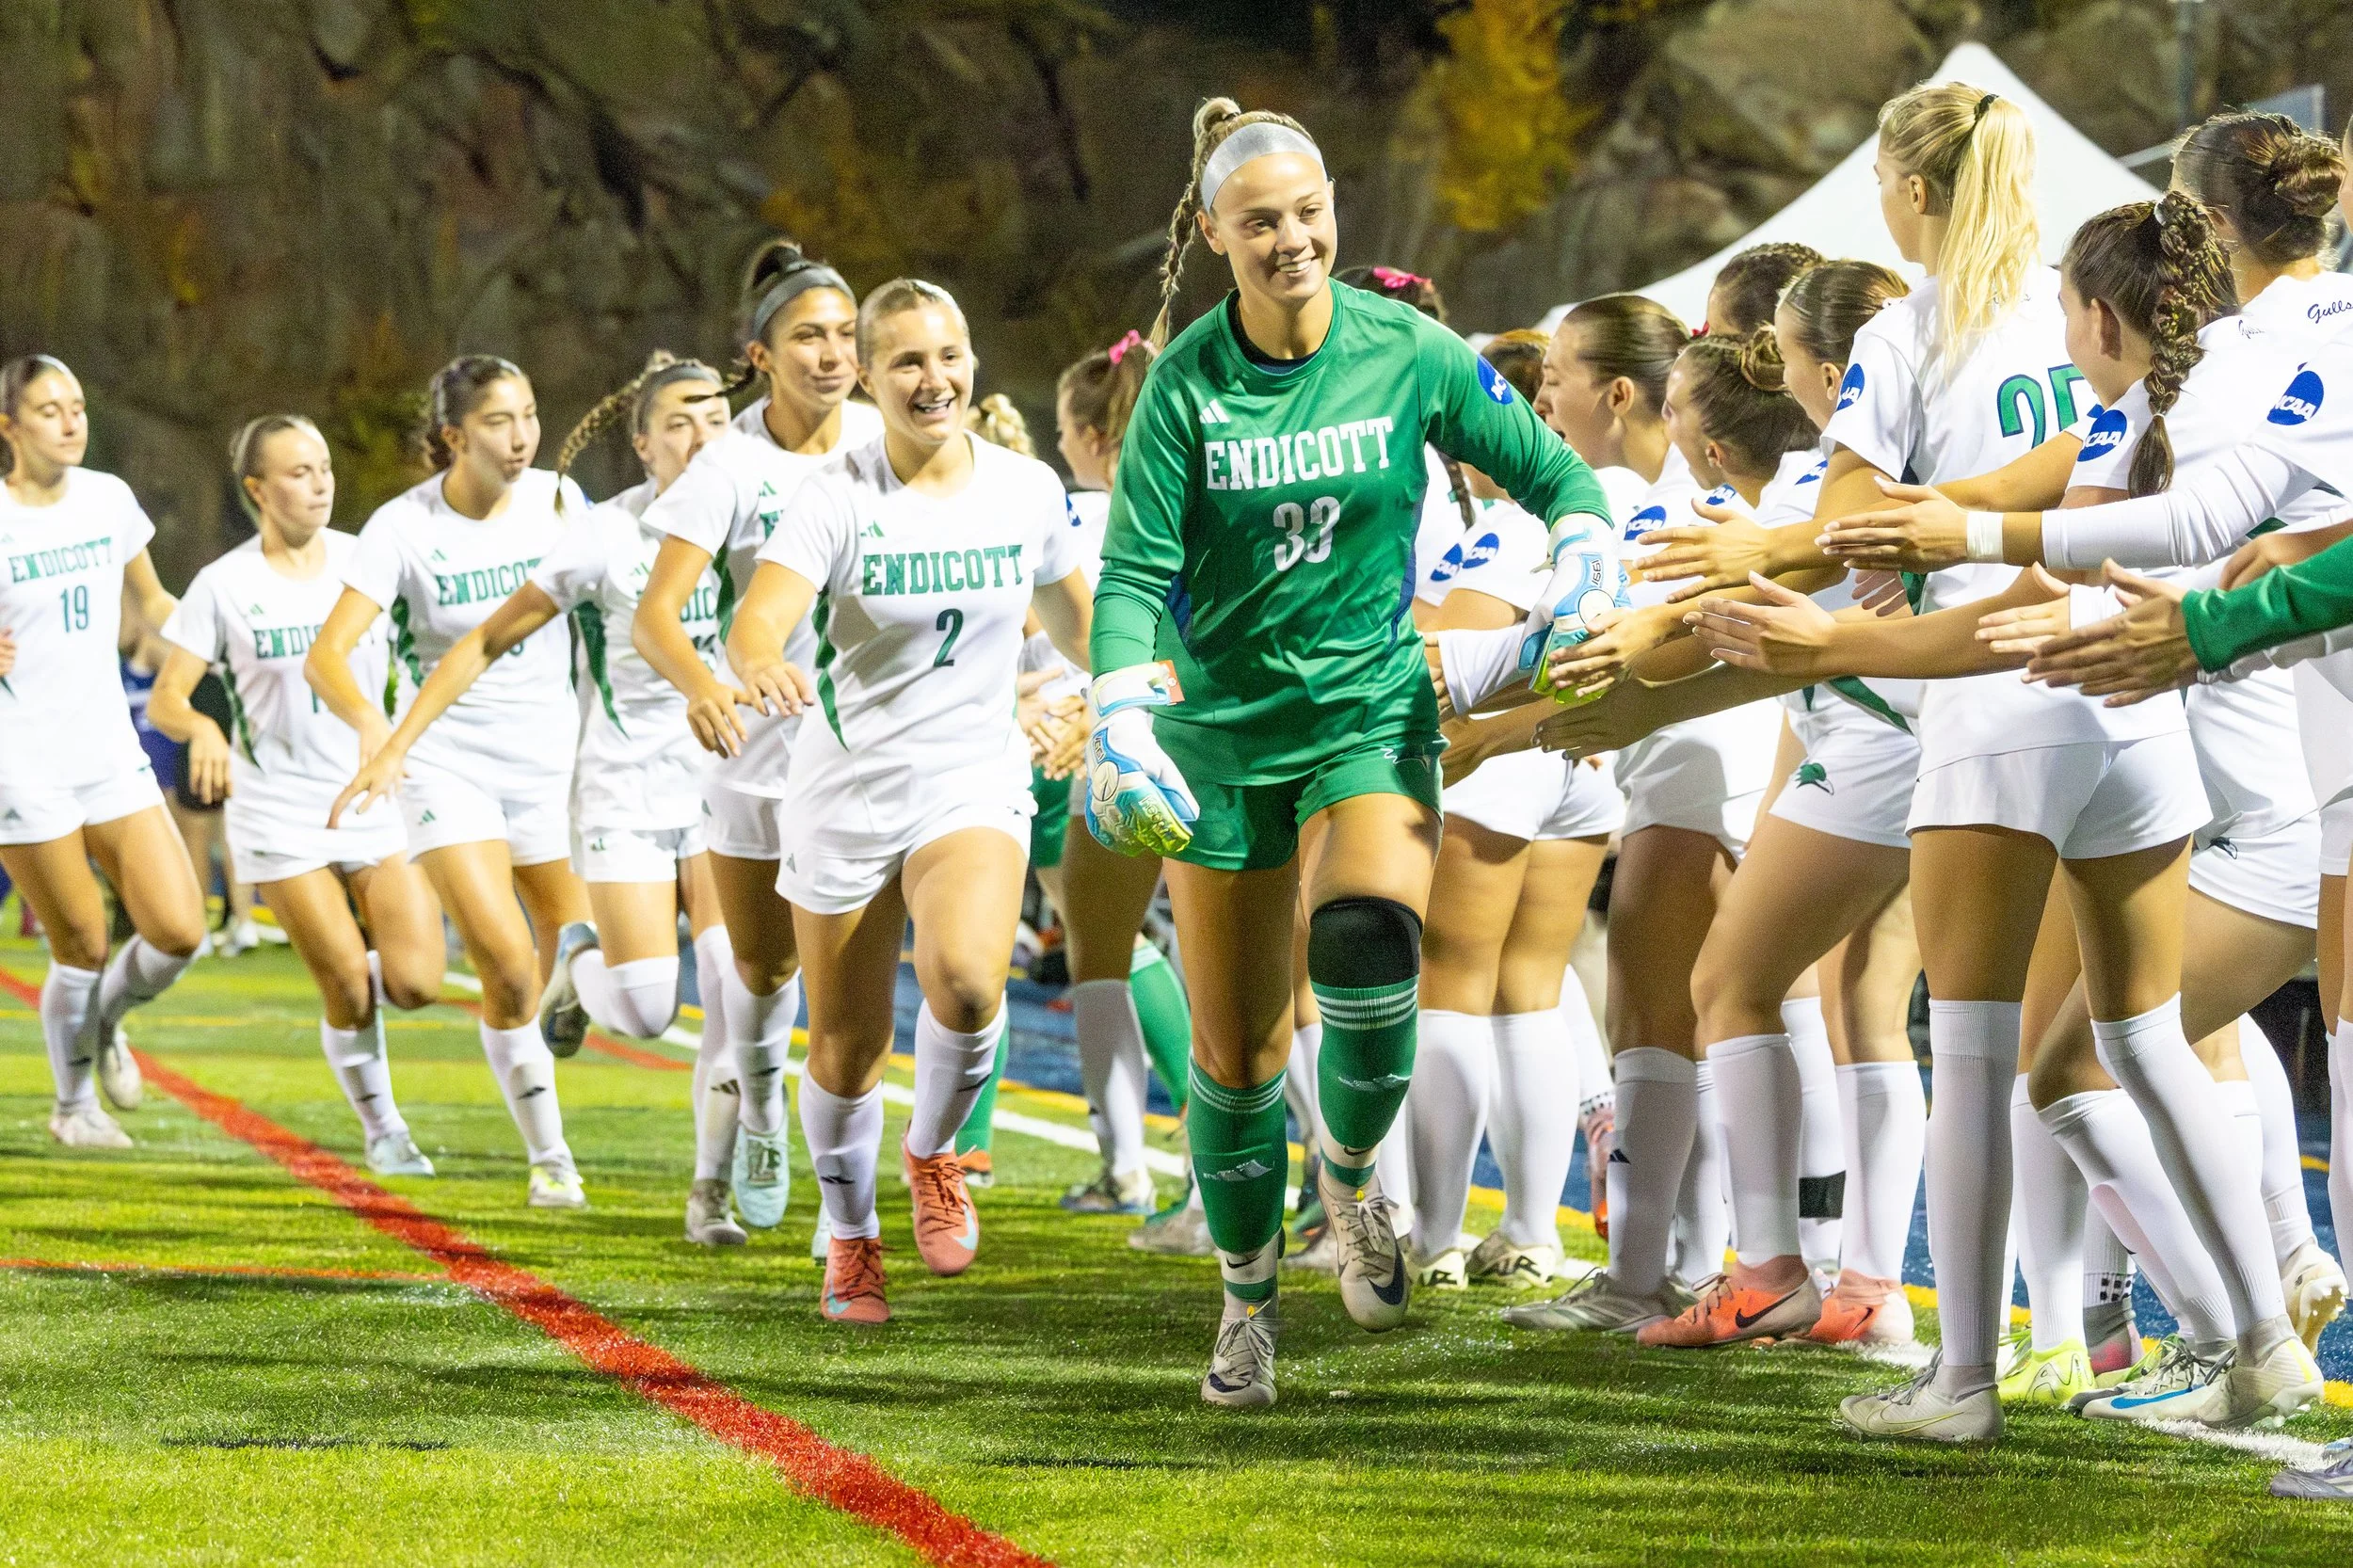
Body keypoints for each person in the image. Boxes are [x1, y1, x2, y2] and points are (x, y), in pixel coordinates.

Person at [1688, 88, 2320, 1441]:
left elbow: (1861, 521)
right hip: (2148, 709)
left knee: (1971, 1051)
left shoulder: (1911, 328)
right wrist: (1963, 524)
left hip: (2004, 697)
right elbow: (2096, 508)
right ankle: (2263, 1332)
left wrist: (1843, 600)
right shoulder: (2117, 340)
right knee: (2146, 1040)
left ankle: (1960, 1379)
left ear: (1909, 192)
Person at [1082, 96, 1612, 1407]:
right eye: (1261, 222)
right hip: (1220, 741)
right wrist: (1117, 712)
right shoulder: (1184, 388)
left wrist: (1590, 549)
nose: (1292, 240)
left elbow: (1557, 472)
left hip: (1371, 711)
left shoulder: (1409, 349)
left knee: (1375, 936)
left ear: (1336, 215)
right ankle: (1247, 1301)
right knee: (1240, 1054)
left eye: (1310, 215)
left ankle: (1358, 1181)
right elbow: (1134, 573)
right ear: (1215, 234)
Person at [727, 278, 1092, 1324]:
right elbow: (760, 623)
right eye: (908, 363)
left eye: (950, 356)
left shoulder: (1023, 489)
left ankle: (933, 1153)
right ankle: (851, 1238)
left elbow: (1078, 621)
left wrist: (1127, 690)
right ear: (872, 378)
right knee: (845, 1044)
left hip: (970, 776)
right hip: (845, 788)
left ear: (972, 360)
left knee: (971, 982)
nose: (935, 380)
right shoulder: (835, 494)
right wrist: (761, 665)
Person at [390, 352, 744, 1240]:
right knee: (648, 1009)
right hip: (623, 786)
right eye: (678, 423)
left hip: (731, 779)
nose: (702, 438)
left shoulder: (769, 519)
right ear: (641, 444)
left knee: (739, 987)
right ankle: (581, 962)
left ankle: (715, 1188)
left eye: (716, 419)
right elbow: (482, 641)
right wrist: (393, 740)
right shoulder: (599, 533)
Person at [633, 240, 884, 1241]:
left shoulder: (884, 437)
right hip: (756, 754)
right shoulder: (727, 463)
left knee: (850, 987)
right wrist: (703, 684)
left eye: (844, 334)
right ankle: (764, 1104)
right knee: (766, 971)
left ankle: (843, 1201)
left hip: (868, 755)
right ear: (761, 355)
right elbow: (658, 616)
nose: (832, 354)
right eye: (807, 337)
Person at [309, 355, 593, 1209]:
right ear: (452, 438)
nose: (523, 437)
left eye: (531, 414)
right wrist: (374, 727)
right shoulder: (402, 527)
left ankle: (578, 993)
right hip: (447, 762)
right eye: (501, 422)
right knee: (507, 966)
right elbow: (327, 656)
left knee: (582, 950)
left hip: (555, 759)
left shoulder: (562, 502)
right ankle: (551, 1158)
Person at [148, 414, 443, 1173]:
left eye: (323, 468)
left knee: (415, 983)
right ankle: (384, 1128)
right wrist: (203, 734)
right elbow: (166, 700)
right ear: (258, 489)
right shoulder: (225, 583)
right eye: (298, 472)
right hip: (280, 811)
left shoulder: (364, 562)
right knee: (346, 979)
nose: (320, 483)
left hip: (375, 800)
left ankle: (354, 985)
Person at [1400, 331, 1622, 1291]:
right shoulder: (1635, 500)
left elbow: (1458, 643)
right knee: (1532, 988)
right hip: (1590, 756)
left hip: (1509, 747)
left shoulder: (1523, 518)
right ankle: (1533, 1228)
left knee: (1450, 986)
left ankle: (1436, 1234)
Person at [0, 354, 208, 1147]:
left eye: (78, 405)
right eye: (49, 409)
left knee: (178, 929)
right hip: (19, 757)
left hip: (104, 748)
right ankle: (73, 1108)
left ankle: (107, 1022)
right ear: (10, 428)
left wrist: (204, 625)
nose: (71, 419)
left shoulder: (108, 498)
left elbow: (150, 599)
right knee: (82, 940)